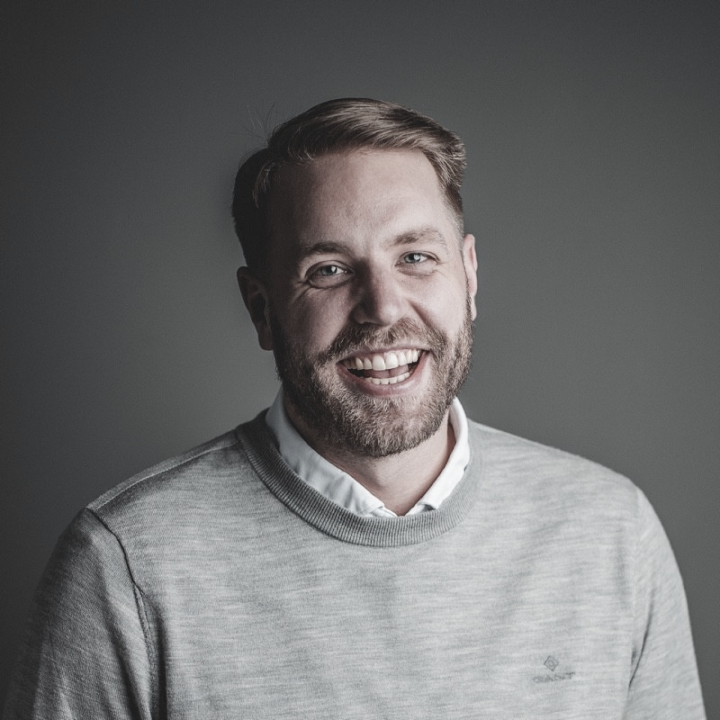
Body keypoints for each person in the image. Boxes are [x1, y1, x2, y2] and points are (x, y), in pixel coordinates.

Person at [3, 98, 705, 719]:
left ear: (469, 276)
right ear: (262, 308)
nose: (383, 309)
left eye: (415, 257)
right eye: (329, 270)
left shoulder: (611, 531)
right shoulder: (126, 564)